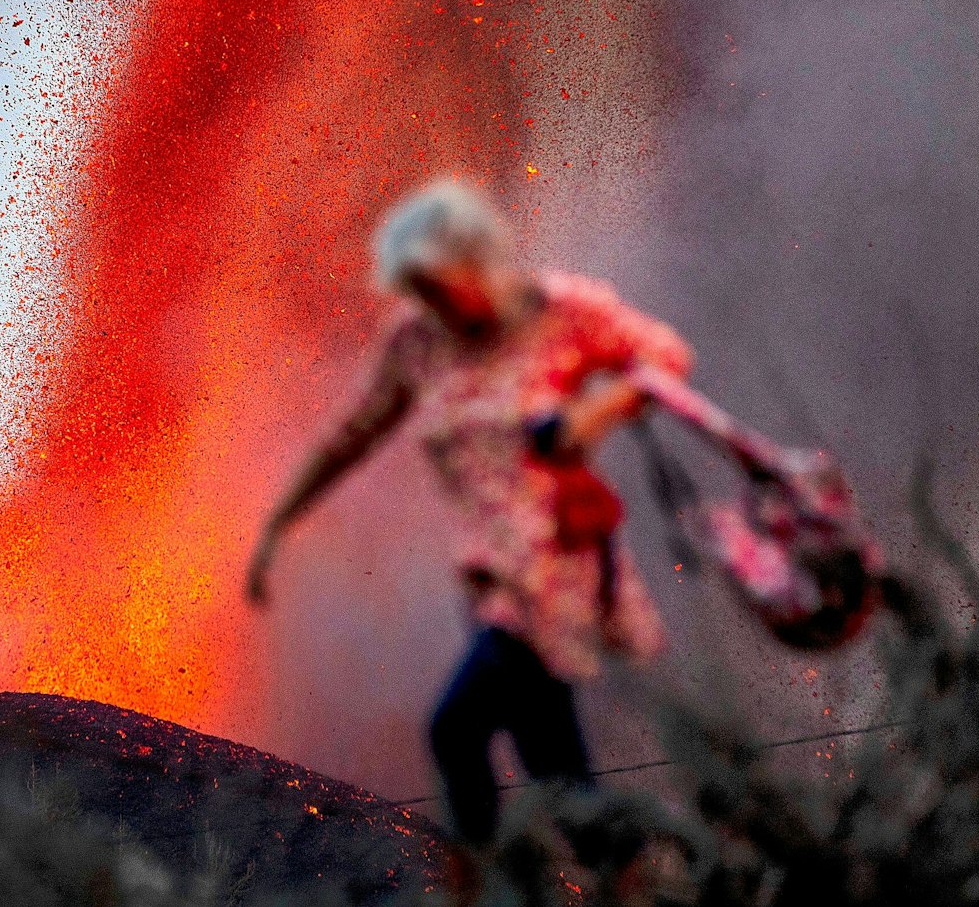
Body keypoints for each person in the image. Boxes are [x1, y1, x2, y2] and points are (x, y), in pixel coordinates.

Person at [245, 178, 693, 845]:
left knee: (455, 731)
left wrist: (593, 413)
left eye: (436, 285)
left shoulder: (559, 311)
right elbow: (352, 433)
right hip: (490, 579)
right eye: (417, 293)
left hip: (554, 568)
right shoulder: (419, 344)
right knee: (559, 777)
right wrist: (279, 522)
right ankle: (627, 870)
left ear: (475, 256)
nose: (431, 305)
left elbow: (664, 357)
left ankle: (486, 887)